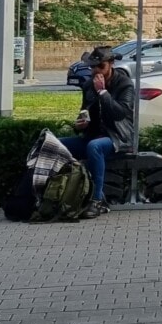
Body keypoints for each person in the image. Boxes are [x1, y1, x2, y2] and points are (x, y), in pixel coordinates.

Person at [64, 47, 134, 217]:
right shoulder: (88, 86)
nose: (95, 71)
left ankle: (97, 201)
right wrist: (80, 124)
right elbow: (84, 112)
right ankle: (59, 194)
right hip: (92, 136)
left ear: (111, 64)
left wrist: (103, 91)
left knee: (95, 147)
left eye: (100, 66)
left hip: (118, 138)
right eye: (92, 67)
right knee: (56, 144)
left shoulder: (124, 84)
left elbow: (121, 113)